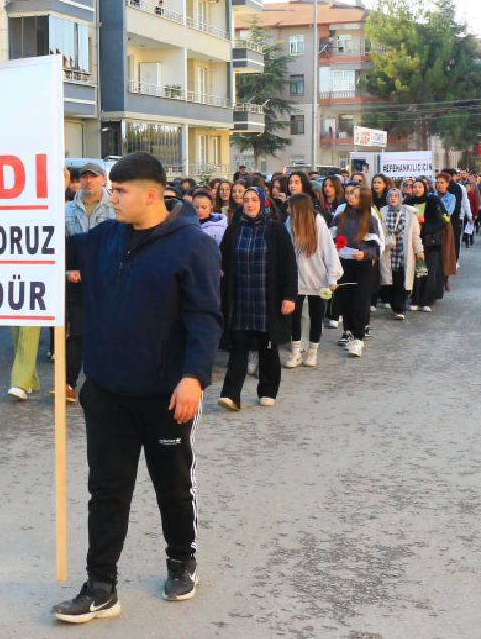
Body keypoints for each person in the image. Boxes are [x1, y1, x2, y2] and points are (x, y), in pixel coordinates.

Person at [53, 152, 219, 622]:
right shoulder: (104, 238)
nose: (111, 197)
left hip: (167, 392)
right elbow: (49, 249)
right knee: (106, 488)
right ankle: (100, 585)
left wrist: (194, 378)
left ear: (151, 195)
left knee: (172, 481)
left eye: (120, 191)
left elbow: (204, 317)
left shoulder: (192, 246)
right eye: (111, 189)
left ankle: (180, 558)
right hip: (107, 391)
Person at [32, 161, 117, 402]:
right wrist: (67, 271)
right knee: (76, 333)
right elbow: (57, 247)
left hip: (107, 279)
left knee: (106, 331)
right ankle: (67, 383)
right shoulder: (66, 210)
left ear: (103, 179)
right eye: (84, 177)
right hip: (76, 280)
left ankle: (101, 383)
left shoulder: (115, 206)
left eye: (93, 176)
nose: (88, 181)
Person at [217, 187, 297, 410]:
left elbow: (289, 265)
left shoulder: (275, 230)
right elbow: (222, 256)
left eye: (254, 200)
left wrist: (289, 296)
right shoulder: (234, 230)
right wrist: (220, 269)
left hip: (267, 300)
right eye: (246, 200)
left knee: (268, 346)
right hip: (241, 298)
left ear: (263, 203)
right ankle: (230, 395)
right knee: (239, 345)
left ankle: (268, 389)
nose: (250, 204)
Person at [283, 193, 342, 370]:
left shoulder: (318, 224)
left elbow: (329, 250)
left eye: (290, 207)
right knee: (295, 316)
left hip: (318, 277)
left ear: (299, 208)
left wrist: (333, 276)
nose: (287, 210)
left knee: (316, 316)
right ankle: (296, 352)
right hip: (296, 278)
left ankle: (313, 352)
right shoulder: (289, 223)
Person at [333, 185, 380, 355]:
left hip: (363, 265)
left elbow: (376, 248)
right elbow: (334, 240)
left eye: (357, 195)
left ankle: (359, 339)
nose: (351, 197)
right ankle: (350, 333)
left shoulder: (370, 220)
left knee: (360, 301)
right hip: (345, 264)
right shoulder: (339, 218)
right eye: (351, 193)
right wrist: (338, 247)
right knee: (346, 300)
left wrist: (365, 253)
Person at [377, 187, 422, 320]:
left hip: (403, 252)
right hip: (388, 252)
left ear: (401, 198)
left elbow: (415, 235)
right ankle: (395, 305)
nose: (393, 198)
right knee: (389, 282)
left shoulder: (410, 214)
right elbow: (378, 232)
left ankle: (400, 309)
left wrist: (419, 250)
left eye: (396, 196)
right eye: (391, 196)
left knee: (402, 281)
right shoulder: (382, 212)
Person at [411, 178, 447, 312]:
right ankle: (416, 299)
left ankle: (426, 300)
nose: (417, 189)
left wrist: (425, 226)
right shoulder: (408, 202)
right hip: (415, 243)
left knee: (430, 273)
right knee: (419, 272)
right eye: (415, 186)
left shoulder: (433, 201)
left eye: (420, 186)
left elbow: (442, 221)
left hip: (431, 242)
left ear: (425, 188)